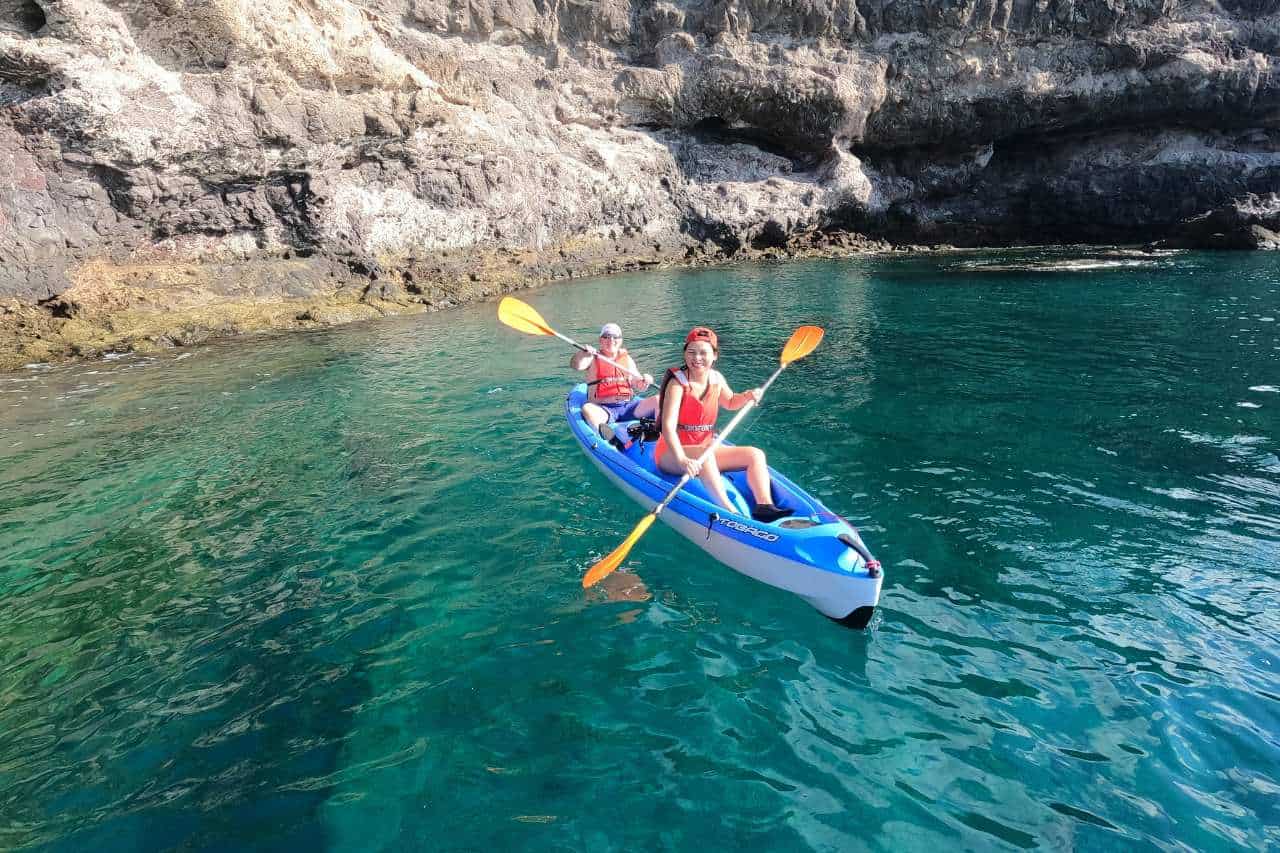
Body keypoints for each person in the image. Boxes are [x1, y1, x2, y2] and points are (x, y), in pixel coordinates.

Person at [654, 326, 794, 523]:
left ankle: (764, 506)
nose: (697, 358)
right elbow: (667, 427)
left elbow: (730, 402)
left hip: (704, 450)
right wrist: (683, 460)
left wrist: (747, 396)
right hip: (671, 453)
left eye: (703, 352)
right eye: (691, 352)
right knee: (706, 459)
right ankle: (732, 514)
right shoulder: (677, 384)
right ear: (684, 354)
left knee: (755, 454)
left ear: (715, 356)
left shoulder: (716, 378)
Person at [570, 322, 657, 449]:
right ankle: (613, 442)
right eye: (606, 336)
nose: (611, 339)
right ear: (600, 340)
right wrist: (582, 354)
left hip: (627, 407)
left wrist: (645, 381)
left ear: (620, 341)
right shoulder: (592, 358)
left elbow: (638, 385)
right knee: (588, 409)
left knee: (659, 400)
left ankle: (658, 430)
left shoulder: (627, 359)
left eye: (615, 337)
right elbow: (576, 365)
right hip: (604, 409)